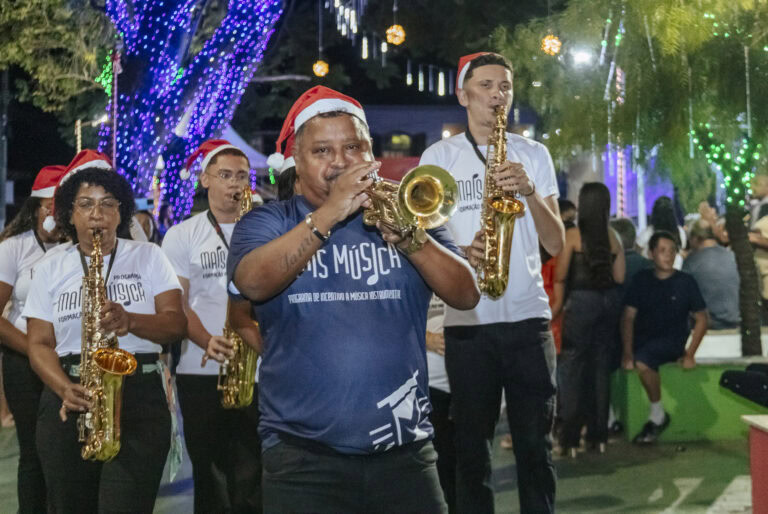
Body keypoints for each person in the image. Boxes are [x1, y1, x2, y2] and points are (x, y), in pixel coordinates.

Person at [227, 86, 479, 513]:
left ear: (371, 153)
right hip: (302, 457)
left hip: (406, 451)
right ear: (296, 161)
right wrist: (331, 213)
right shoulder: (268, 220)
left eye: (353, 147)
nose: (340, 161)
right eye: (322, 150)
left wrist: (411, 239)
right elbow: (252, 282)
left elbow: (466, 293)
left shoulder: (409, 211)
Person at [419, 52, 564, 513]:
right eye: (486, 85)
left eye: (505, 85)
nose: (498, 94)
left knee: (535, 451)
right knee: (469, 455)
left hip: (527, 320)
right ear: (463, 94)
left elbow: (556, 243)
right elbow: (419, 241)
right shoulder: (439, 157)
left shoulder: (534, 154)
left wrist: (530, 193)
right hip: (467, 322)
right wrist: (462, 253)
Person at [22, 150, 187, 513]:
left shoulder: (149, 257)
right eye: (85, 204)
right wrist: (63, 387)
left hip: (139, 396)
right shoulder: (50, 267)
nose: (97, 214)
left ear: (121, 211)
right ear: (68, 213)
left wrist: (131, 321)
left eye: (108, 203)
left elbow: (176, 324)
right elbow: (39, 342)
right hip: (70, 394)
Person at [162, 139, 263, 513]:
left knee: (255, 469)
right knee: (209, 470)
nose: (235, 185)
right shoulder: (182, 234)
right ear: (205, 179)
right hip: (200, 367)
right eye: (225, 175)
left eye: (242, 176)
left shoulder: (265, 226)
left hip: (258, 367)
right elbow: (177, 302)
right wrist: (206, 339)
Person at [0, 164, 67, 513]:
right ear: (36, 209)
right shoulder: (14, 249)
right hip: (23, 361)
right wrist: (34, 350)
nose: (53, 216)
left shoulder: (75, 250)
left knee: (64, 450)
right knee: (34, 452)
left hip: (66, 360)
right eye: (47, 207)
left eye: (60, 207)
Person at [552, 183, 624, 457]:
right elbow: (619, 278)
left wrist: (556, 309)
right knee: (599, 369)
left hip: (580, 305)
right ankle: (598, 437)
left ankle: (569, 439)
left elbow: (560, 276)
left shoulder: (572, 236)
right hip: (607, 306)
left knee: (572, 370)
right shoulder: (613, 237)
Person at [621, 231, 708, 444]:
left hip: (671, 342)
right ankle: (612, 420)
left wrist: (690, 354)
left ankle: (657, 414)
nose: (668, 256)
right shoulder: (641, 280)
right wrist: (626, 352)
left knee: (643, 361)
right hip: (644, 340)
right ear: (651, 254)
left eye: (672, 251)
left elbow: (702, 319)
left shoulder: (686, 282)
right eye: (662, 251)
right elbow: (628, 317)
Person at [683, 219, 740, 329]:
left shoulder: (691, 262)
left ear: (695, 238)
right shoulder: (733, 257)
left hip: (708, 327)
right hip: (737, 323)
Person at [636, 196, 687, 268]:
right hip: (676, 271)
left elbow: (637, 252)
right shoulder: (680, 232)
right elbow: (682, 248)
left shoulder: (646, 233)